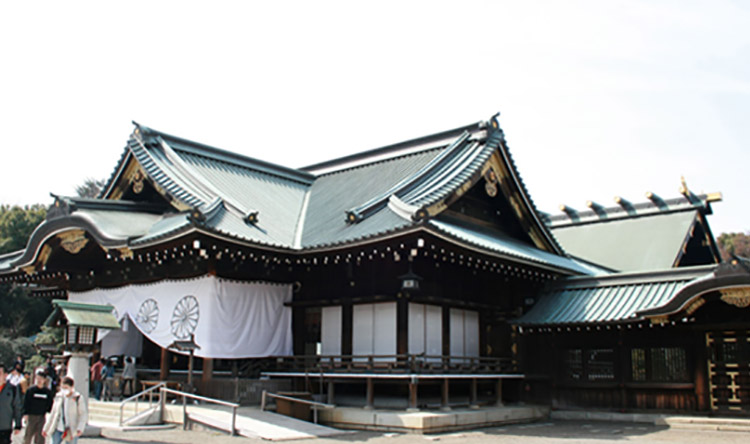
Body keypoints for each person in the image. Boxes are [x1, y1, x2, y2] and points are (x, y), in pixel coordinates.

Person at [42, 376, 87, 444]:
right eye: (62, 388)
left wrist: (80, 428)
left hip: (71, 428)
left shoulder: (77, 397)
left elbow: (82, 414)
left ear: (71, 387)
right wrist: (46, 428)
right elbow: (53, 413)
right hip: (57, 427)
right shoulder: (58, 396)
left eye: (66, 388)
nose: (64, 390)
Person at [23, 370, 53, 444]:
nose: (39, 381)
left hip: (42, 416)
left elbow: (50, 404)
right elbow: (26, 402)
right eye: (37, 378)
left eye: (41, 379)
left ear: (44, 380)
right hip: (31, 416)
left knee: (40, 437)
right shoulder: (31, 390)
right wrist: (25, 413)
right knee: (28, 436)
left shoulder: (47, 392)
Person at [0, 364, 23, 444]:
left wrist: (18, 424)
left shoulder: (13, 389)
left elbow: (17, 407)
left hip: (5, 427)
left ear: (5, 375)